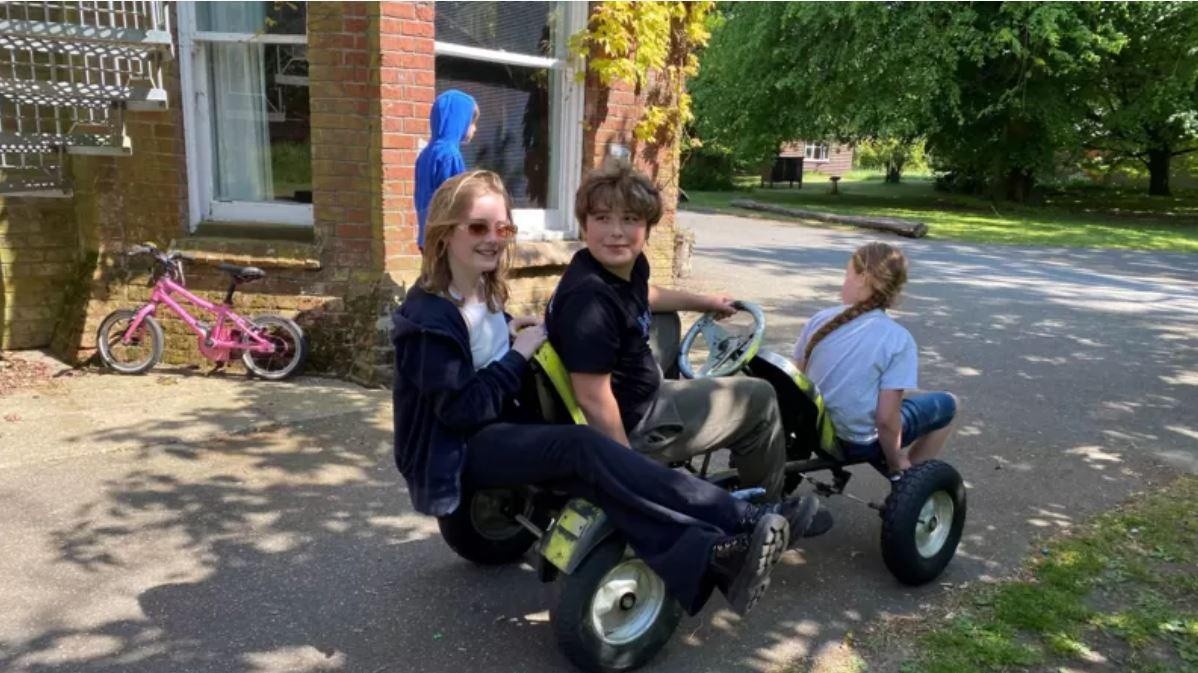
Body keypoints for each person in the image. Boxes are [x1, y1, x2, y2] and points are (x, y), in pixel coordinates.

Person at [392, 170, 825, 617]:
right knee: (590, 451)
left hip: (501, 421)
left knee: (604, 482)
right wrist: (517, 356)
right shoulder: (427, 317)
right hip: (457, 448)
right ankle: (744, 518)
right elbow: (460, 409)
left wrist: (506, 330)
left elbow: (477, 349)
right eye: (478, 228)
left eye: (502, 228)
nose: (493, 240)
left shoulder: (481, 285)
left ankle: (715, 554)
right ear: (444, 233)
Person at [545, 160, 831, 538]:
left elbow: (644, 296)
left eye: (630, 219)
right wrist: (630, 475)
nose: (616, 232)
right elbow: (593, 398)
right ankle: (764, 517)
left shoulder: (614, 268)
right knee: (760, 397)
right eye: (601, 218)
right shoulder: (590, 303)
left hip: (635, 394)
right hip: (638, 423)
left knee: (666, 322)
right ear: (584, 224)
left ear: (647, 227)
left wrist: (704, 301)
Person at [793, 242, 959, 477]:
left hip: (812, 431)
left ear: (863, 278)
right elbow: (886, 421)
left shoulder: (819, 319)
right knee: (949, 403)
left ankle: (910, 479)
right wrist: (895, 461)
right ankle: (910, 478)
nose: (844, 282)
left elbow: (796, 379)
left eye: (846, 274)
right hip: (857, 443)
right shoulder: (898, 340)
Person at [415, 89, 479, 248]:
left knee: (432, 272)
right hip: (445, 239)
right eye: (472, 122)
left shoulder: (426, 153)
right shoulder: (449, 155)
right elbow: (454, 201)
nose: (475, 129)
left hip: (427, 234)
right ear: (459, 119)